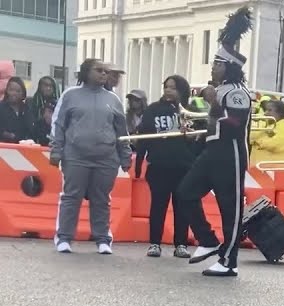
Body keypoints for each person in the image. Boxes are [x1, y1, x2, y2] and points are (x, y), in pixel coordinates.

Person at [175, 6, 254, 277]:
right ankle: (208, 240)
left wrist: (213, 101)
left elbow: (234, 125)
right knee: (184, 193)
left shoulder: (237, 93)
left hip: (230, 154)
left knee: (230, 210)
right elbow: (217, 124)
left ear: (229, 67)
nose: (213, 67)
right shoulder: (221, 90)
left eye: (218, 64)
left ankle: (229, 260)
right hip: (212, 152)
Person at [49, 58, 132, 254]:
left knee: (101, 199)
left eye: (106, 71)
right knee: (71, 197)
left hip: (106, 158)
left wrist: (125, 156)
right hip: (75, 156)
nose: (104, 74)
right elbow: (58, 124)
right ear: (86, 72)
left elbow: (122, 130)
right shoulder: (70, 95)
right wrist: (56, 150)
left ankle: (103, 239)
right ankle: (64, 238)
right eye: (99, 70)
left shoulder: (113, 99)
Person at [134, 74, 199, 258]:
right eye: (166, 87)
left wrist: (192, 138)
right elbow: (143, 137)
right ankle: (155, 243)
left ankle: (181, 244)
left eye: (173, 87)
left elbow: (199, 142)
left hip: (184, 166)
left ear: (181, 90)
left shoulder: (189, 110)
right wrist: (139, 163)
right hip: (159, 165)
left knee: (182, 206)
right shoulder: (153, 109)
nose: (168, 91)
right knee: (158, 206)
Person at [249, 99, 284, 164]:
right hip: (258, 169)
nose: (265, 113)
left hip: (274, 170)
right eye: (266, 110)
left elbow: (275, 144)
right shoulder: (266, 125)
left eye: (270, 110)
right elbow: (251, 137)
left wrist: (257, 142)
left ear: (279, 113)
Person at [0, 76, 31, 142]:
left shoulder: (26, 108)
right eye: (11, 90)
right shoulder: (1, 107)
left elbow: (30, 129)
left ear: (23, 93)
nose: (14, 93)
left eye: (18, 91)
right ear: (7, 91)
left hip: (24, 147)